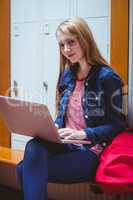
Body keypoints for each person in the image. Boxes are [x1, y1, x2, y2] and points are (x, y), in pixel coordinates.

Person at [16, 17, 126, 200]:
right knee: (34, 145)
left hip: (91, 152)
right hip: (65, 145)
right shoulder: (67, 74)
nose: (66, 50)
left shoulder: (107, 78)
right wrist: (52, 127)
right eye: (61, 45)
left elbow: (118, 126)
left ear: (84, 39)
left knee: (24, 169)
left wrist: (84, 134)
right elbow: (62, 116)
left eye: (71, 42)